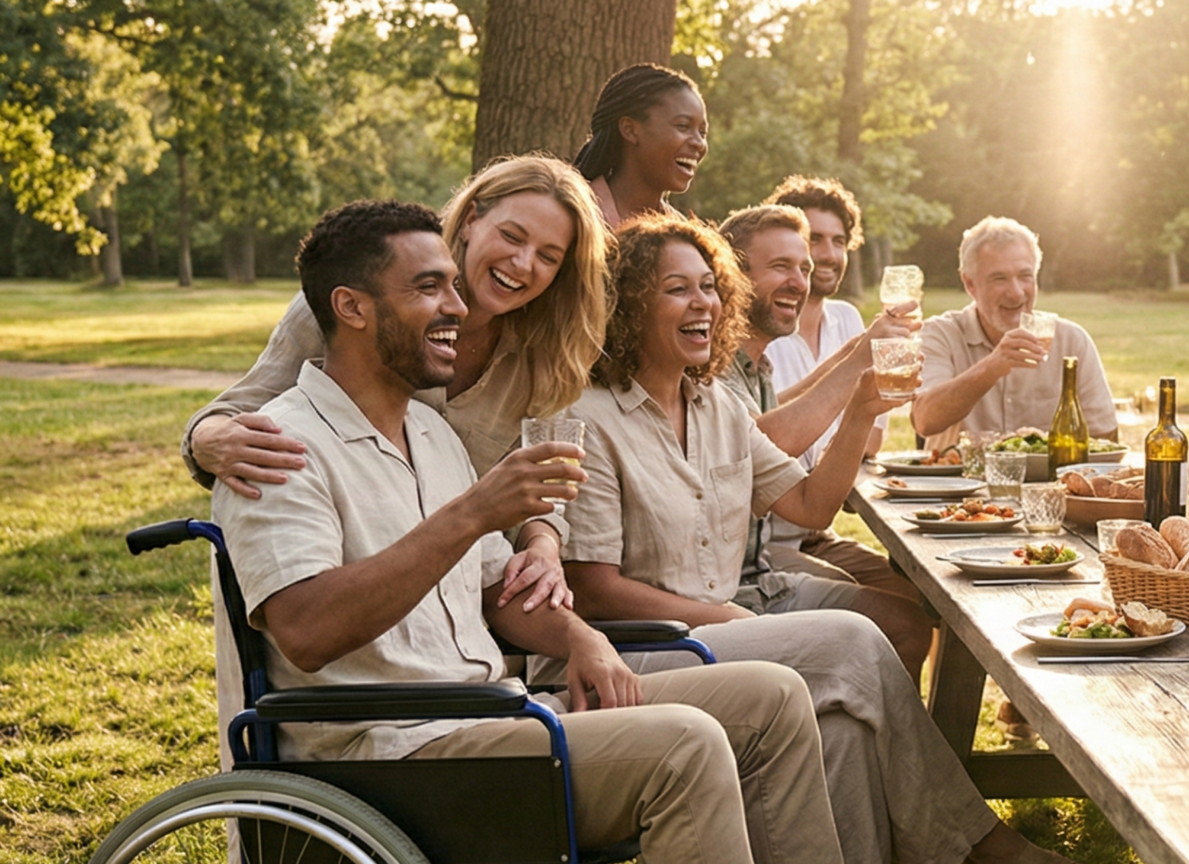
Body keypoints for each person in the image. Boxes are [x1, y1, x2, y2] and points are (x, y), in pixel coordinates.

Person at [215, 200, 840, 862]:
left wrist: (581, 639)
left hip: (494, 713)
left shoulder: (429, 432)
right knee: (686, 744)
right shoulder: (273, 448)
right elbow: (308, 632)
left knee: (771, 694)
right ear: (352, 307)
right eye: (429, 288)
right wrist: (473, 513)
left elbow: (497, 588)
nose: (457, 308)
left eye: (453, 285)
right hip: (394, 752)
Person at [556, 213, 1066, 864]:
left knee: (845, 736)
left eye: (710, 287)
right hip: (638, 650)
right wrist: (729, 617)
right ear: (627, 306)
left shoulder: (715, 405)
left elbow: (810, 505)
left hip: (721, 631)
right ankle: (977, 845)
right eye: (676, 288)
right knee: (856, 639)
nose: (702, 303)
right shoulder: (588, 417)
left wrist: (859, 410)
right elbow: (593, 591)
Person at [185, 154, 614, 612]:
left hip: (470, 601)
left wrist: (542, 545)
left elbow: (541, 492)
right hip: (350, 586)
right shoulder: (357, 304)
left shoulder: (545, 355)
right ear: (470, 220)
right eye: (511, 236)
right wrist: (206, 440)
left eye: (548, 257)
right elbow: (237, 411)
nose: (523, 263)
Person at [710, 203, 932, 676]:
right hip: (729, 589)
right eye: (781, 266)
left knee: (912, 616)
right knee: (892, 621)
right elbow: (764, 441)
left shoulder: (758, 368)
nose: (799, 281)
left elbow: (813, 506)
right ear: (731, 275)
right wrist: (857, 366)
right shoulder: (708, 367)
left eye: (803, 268)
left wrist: (861, 406)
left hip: (764, 571)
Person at [912, 217, 1115, 444]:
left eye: (1025, 276)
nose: (1017, 293)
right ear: (970, 284)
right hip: (959, 479)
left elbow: (1105, 440)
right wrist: (992, 366)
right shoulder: (940, 334)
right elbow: (924, 420)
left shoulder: (1072, 341)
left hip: (1053, 480)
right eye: (999, 279)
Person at [572, 64, 708, 227]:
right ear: (630, 130)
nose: (699, 143)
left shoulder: (685, 235)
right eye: (683, 126)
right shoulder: (575, 217)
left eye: (702, 132)